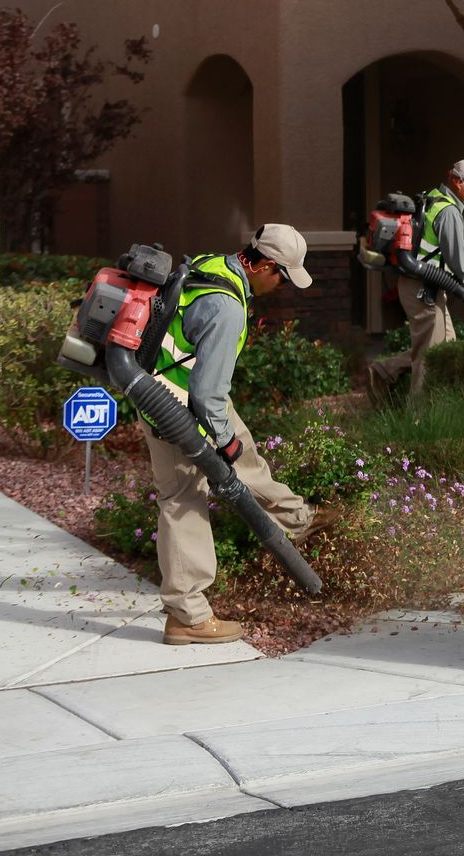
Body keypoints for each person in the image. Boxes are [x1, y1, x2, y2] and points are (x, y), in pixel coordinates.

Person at [148, 224, 321, 645]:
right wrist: (222, 441)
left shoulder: (214, 264)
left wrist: (230, 438)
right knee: (183, 498)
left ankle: (296, 519)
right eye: (281, 275)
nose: (281, 285)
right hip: (175, 404)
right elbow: (207, 394)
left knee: (242, 448)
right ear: (262, 264)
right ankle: (186, 615)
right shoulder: (227, 306)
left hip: (180, 389)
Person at [370, 158, 464, 398]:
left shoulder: (432, 196)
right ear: (455, 180)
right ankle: (419, 417)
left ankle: (384, 370)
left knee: (445, 348)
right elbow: (461, 265)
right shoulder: (449, 212)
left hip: (422, 285)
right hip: (421, 289)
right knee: (429, 356)